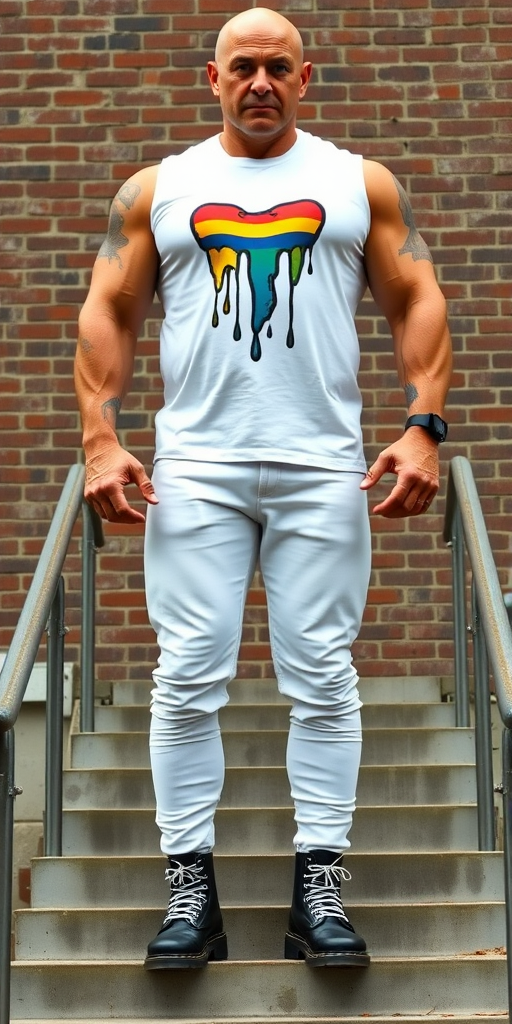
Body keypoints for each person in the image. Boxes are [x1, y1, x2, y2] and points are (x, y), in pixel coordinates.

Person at [74, 7, 452, 971]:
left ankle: (318, 891)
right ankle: (188, 895)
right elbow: (108, 307)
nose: (259, 84)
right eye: (241, 67)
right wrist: (100, 438)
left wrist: (423, 424)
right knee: (186, 678)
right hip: (192, 468)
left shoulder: (356, 181)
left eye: (277, 68)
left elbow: (416, 294)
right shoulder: (159, 188)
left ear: (304, 76)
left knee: (323, 678)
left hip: (324, 464)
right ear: (213, 77)